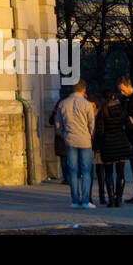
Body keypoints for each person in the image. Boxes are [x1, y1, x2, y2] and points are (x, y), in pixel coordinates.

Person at [53, 79, 98, 208]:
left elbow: (58, 124)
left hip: (70, 139)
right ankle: (85, 200)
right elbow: (92, 124)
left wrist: (64, 134)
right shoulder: (87, 104)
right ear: (84, 89)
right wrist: (90, 136)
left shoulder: (63, 103)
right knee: (85, 171)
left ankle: (74, 200)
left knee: (72, 171)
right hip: (84, 140)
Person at [97, 87, 133, 207]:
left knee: (108, 174)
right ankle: (119, 198)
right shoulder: (122, 110)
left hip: (108, 145)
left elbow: (99, 132)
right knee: (120, 173)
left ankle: (111, 199)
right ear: (113, 97)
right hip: (121, 143)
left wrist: (97, 146)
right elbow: (128, 127)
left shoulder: (102, 112)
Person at [48, 98, 68, 185]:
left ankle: (66, 177)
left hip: (59, 138)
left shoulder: (56, 112)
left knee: (63, 159)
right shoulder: (67, 112)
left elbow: (50, 121)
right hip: (67, 137)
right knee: (68, 159)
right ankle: (70, 176)